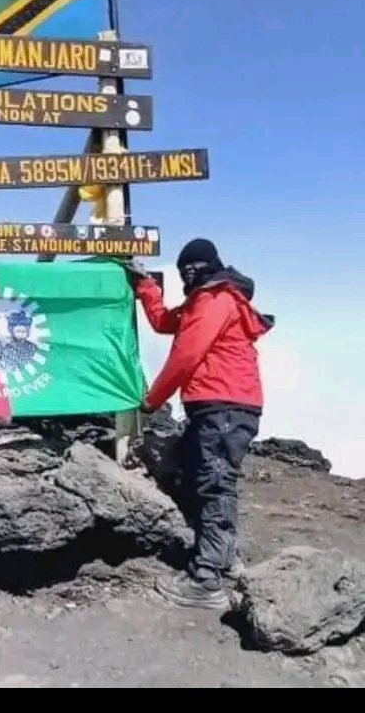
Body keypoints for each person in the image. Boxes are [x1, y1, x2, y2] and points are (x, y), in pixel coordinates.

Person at [127, 239, 274, 610]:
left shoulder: (215, 300)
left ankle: (207, 579)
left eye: (191, 268)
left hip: (223, 406)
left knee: (213, 484)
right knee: (208, 480)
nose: (187, 275)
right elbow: (165, 323)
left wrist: (151, 402)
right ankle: (225, 559)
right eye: (183, 271)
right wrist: (146, 287)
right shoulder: (205, 300)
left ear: (208, 267)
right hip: (222, 406)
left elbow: (186, 355)